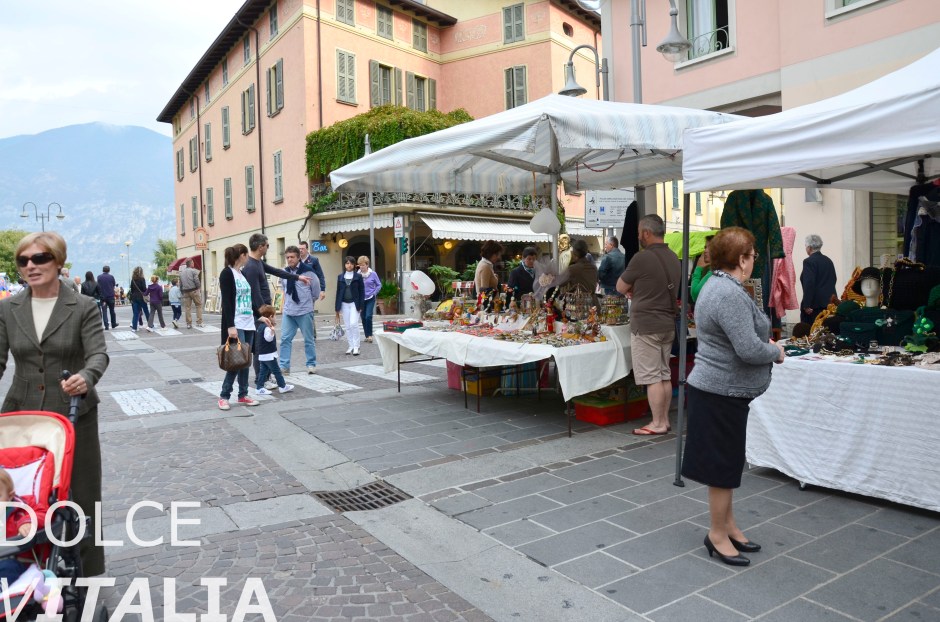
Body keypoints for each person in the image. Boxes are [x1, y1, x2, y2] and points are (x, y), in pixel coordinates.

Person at [0, 231, 109, 576]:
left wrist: (86, 377)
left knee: (82, 491)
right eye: (24, 260)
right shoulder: (8, 308)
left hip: (73, 411)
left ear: (59, 262)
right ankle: (21, 562)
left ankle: (87, 570)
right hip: (22, 410)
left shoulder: (83, 306)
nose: (30, 266)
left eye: (40, 258)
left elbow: (98, 355)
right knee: (19, 487)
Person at [681, 227, 785, 567]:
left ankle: (729, 525)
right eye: (753, 256)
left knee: (726, 464)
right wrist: (775, 352)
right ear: (741, 259)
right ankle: (716, 534)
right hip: (719, 391)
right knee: (721, 469)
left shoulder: (720, 286)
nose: (755, 261)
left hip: (719, 390)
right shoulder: (727, 293)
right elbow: (747, 349)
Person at [617, 214, 680, 436]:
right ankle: (664, 420)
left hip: (646, 325)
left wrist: (634, 289)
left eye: (639, 234)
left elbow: (620, 286)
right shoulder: (674, 257)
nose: (638, 238)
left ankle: (657, 423)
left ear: (646, 233)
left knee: (652, 376)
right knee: (663, 374)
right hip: (667, 324)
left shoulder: (641, 258)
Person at [242, 234, 310, 388]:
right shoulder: (251, 266)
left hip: (264, 311)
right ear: (260, 247)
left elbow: (276, 271)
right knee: (261, 347)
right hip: (260, 313)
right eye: (267, 245)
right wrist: (264, 315)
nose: (268, 248)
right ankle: (262, 380)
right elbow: (255, 293)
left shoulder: (257, 262)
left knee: (267, 344)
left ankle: (266, 377)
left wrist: (298, 277)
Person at [218, 244, 260, 410]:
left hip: (248, 322)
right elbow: (227, 302)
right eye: (247, 255)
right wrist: (230, 326)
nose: (248, 257)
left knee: (245, 361)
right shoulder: (227, 273)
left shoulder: (241, 274)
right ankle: (224, 396)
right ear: (241, 255)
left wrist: (260, 315)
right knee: (237, 360)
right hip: (236, 323)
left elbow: (249, 299)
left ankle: (243, 395)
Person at [0, 468, 49, 583]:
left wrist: (27, 521)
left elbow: (43, 512)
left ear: (10, 496)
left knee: (6, 568)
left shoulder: (22, 507)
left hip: (21, 563)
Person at [279, 246, 320, 375]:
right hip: (289, 312)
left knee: (308, 339)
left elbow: (316, 291)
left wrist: (308, 303)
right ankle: (284, 366)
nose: (289, 260)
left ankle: (311, 364)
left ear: (298, 257)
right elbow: (283, 289)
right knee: (285, 339)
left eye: (292, 257)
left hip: (304, 311)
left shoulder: (308, 271)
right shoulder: (284, 272)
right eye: (287, 257)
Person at [254, 304, 294, 396]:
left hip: (263, 354)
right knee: (276, 371)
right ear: (271, 316)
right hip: (269, 354)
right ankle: (282, 386)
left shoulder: (260, 326)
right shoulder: (267, 328)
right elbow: (268, 339)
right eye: (275, 316)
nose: (275, 318)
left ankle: (259, 387)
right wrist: (272, 331)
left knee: (263, 372)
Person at [800, 234, 838, 323]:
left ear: (809, 248)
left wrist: (807, 304)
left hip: (814, 306)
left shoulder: (808, 262)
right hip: (829, 304)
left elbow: (809, 283)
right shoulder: (828, 260)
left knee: (812, 332)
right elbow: (834, 279)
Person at [335, 256, 365, 356]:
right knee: (347, 326)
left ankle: (357, 346)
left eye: (351, 263)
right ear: (344, 265)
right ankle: (350, 346)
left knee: (353, 324)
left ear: (354, 265)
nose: (349, 265)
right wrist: (337, 308)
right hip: (344, 304)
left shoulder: (358, 276)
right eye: (347, 263)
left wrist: (361, 305)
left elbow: (362, 291)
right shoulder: (340, 277)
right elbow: (338, 292)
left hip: (354, 304)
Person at [557, 239, 600, 308]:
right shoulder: (593, 268)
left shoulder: (573, 269)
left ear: (574, 253)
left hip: (580, 306)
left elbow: (560, 282)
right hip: (594, 304)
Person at [358, 256, 382, 344]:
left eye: (363, 265)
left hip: (370, 298)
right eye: (360, 265)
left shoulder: (373, 274)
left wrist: (374, 293)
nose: (361, 267)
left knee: (368, 316)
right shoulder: (358, 275)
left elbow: (379, 285)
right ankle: (366, 335)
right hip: (361, 299)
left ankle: (370, 335)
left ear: (367, 265)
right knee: (363, 317)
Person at [179, 258, 203, 328]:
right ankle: (199, 322)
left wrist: (182, 291)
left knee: (187, 308)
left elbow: (180, 284)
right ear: (191, 264)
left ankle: (189, 324)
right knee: (198, 305)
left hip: (185, 292)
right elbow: (196, 280)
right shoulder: (193, 271)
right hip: (194, 290)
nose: (193, 264)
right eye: (193, 263)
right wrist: (198, 288)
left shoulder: (182, 273)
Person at [691, 234, 715, 303]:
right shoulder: (710, 270)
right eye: (705, 247)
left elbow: (695, 295)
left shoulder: (714, 273)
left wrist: (698, 268)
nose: (705, 251)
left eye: (710, 247)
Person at [128, 266, 151, 333]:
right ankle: (150, 325)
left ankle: (134, 328)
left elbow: (131, 289)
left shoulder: (133, 280)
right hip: (141, 297)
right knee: (146, 311)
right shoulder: (142, 279)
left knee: (136, 313)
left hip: (134, 297)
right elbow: (144, 289)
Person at [96, 265, 118, 329]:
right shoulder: (111, 277)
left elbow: (98, 286)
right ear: (109, 270)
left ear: (103, 270)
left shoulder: (99, 277)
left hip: (103, 298)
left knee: (104, 311)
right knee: (112, 311)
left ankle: (106, 325)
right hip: (111, 296)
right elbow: (113, 285)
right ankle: (113, 324)